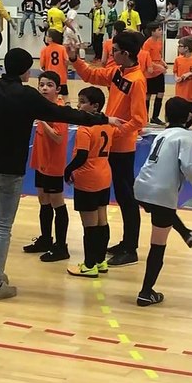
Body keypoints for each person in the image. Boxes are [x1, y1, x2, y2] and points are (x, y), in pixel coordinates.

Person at [0, 48, 117, 302]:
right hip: (11, 169)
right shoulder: (27, 96)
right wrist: (101, 119)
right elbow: (63, 114)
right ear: (25, 71)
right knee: (3, 226)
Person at [68, 30, 148, 267]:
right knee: (117, 194)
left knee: (126, 196)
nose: (111, 54)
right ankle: (124, 243)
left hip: (122, 147)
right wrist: (74, 59)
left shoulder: (137, 80)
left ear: (126, 53)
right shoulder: (117, 72)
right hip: (111, 144)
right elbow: (91, 75)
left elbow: (139, 120)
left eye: (115, 51)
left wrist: (112, 132)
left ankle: (130, 248)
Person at [133, 96, 192, 307]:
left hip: (141, 186)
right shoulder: (187, 137)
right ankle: (146, 293)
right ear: (189, 116)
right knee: (158, 245)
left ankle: (186, 234)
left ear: (166, 115)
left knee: (163, 213)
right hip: (161, 192)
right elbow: (190, 167)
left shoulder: (162, 134)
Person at [65, 86, 115, 278]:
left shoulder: (85, 128)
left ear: (95, 106)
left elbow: (82, 156)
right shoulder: (107, 125)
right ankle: (101, 261)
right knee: (102, 220)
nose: (78, 106)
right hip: (104, 176)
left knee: (90, 225)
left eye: (83, 102)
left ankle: (89, 265)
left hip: (87, 178)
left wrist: (67, 170)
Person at [23, 70, 72, 262]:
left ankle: (61, 246)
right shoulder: (40, 107)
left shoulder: (58, 110)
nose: (44, 88)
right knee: (43, 200)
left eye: (49, 85)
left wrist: (42, 120)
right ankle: (45, 239)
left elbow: (58, 138)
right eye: (42, 84)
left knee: (57, 202)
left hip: (53, 164)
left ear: (57, 89)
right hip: (41, 161)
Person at [172, 37, 192, 127]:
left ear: (186, 48)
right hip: (180, 92)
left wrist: (190, 73)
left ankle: (186, 127)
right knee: (180, 113)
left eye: (180, 46)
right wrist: (176, 77)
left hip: (191, 92)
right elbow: (175, 71)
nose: (179, 48)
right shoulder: (178, 59)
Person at [140, 23, 168, 125]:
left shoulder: (159, 41)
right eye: (159, 30)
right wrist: (159, 67)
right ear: (152, 32)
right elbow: (147, 60)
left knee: (160, 93)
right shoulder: (147, 44)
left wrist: (163, 63)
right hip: (150, 72)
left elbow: (159, 55)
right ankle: (145, 116)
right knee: (148, 95)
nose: (161, 32)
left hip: (159, 72)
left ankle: (155, 117)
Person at [40, 29, 70, 99]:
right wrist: (65, 70)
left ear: (51, 38)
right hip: (61, 77)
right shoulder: (62, 48)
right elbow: (66, 61)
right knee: (65, 96)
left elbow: (42, 65)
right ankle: (67, 105)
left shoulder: (44, 49)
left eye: (47, 36)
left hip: (50, 78)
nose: (45, 37)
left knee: (49, 97)